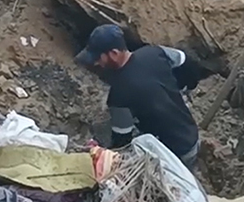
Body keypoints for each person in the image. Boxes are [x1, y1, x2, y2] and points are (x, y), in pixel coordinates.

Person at [77, 25, 201, 169]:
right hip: (192, 136)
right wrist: (186, 85)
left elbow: (122, 141)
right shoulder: (155, 53)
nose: (96, 63)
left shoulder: (119, 95)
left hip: (173, 157)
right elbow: (187, 62)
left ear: (114, 53)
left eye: (99, 58)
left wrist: (103, 152)